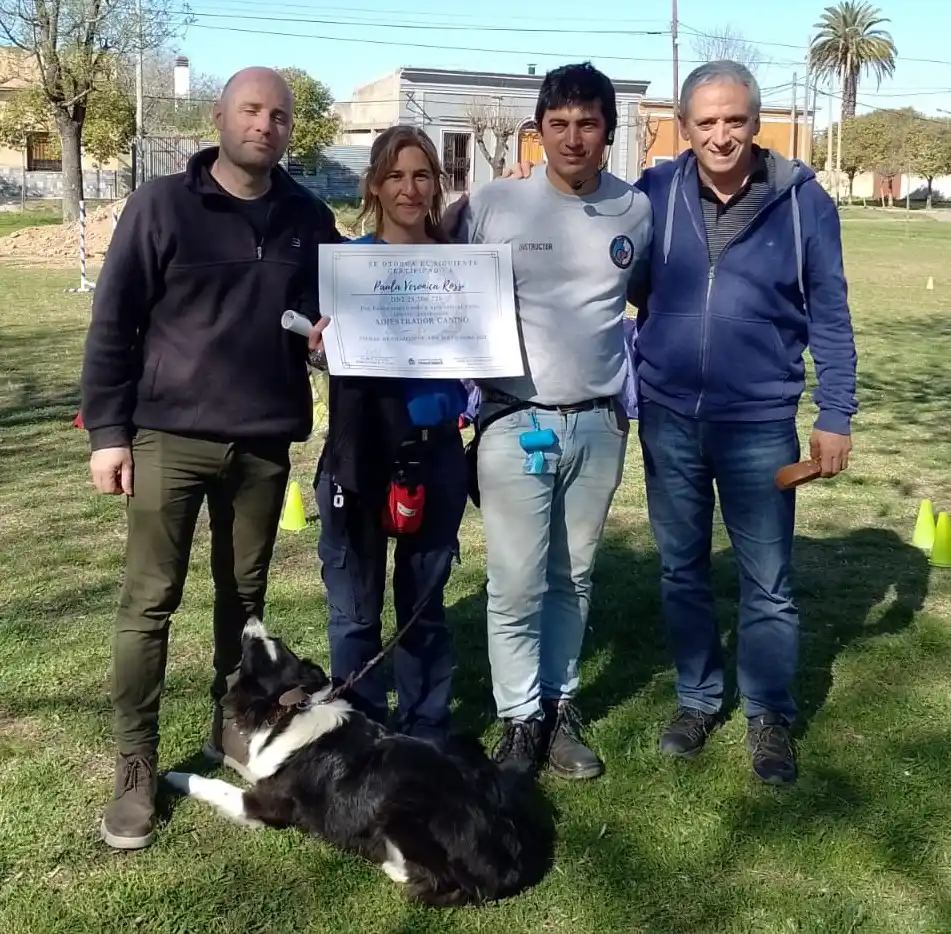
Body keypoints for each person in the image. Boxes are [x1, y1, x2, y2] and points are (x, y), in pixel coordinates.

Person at [80, 66, 343, 850]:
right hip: (168, 436)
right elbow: (113, 321)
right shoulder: (161, 205)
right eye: (251, 110)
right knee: (149, 602)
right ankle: (135, 765)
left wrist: (330, 343)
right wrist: (108, 433)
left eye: (280, 115)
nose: (265, 125)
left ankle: (231, 727)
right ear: (220, 118)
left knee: (245, 599)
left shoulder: (309, 218)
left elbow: (338, 319)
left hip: (263, 442)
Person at [631, 60, 858, 785]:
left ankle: (768, 714)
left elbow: (830, 313)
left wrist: (835, 412)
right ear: (684, 127)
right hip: (669, 417)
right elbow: (612, 278)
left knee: (768, 582)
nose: (721, 135)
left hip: (760, 422)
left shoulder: (803, 203)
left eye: (735, 119)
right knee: (681, 570)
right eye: (706, 122)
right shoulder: (654, 194)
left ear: (756, 123)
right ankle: (697, 699)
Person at [451, 62, 652, 780]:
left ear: (608, 131)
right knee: (514, 582)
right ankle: (518, 719)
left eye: (587, 124)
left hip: (597, 425)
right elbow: (433, 276)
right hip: (514, 422)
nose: (572, 138)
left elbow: (650, 294)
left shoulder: (635, 210)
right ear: (538, 131)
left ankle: (560, 708)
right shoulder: (493, 203)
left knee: (573, 577)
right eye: (558, 124)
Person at [309, 126, 469, 747]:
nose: (409, 188)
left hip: (435, 452)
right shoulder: (347, 266)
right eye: (395, 176)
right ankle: (360, 734)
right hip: (360, 453)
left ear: (436, 184)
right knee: (355, 611)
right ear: (374, 185)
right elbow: (321, 351)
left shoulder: (461, 266)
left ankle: (425, 730)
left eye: (421, 175)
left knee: (424, 608)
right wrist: (319, 349)